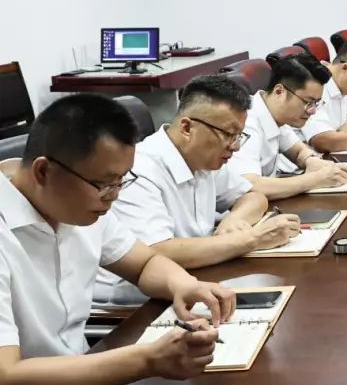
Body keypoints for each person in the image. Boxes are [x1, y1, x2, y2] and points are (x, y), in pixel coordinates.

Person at [0, 95, 232, 385]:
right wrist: (146, 360)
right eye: (105, 184)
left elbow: (144, 262)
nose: (113, 196)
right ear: (44, 171)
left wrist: (183, 283)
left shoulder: (80, 204)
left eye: (122, 181)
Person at [95, 75, 299, 307]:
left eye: (238, 136)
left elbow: (254, 196)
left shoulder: (203, 159)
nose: (235, 146)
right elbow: (158, 252)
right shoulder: (139, 169)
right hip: (142, 305)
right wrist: (250, 239)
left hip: (199, 281)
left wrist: (234, 220)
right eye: (228, 134)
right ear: (187, 127)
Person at [227, 52, 347, 200]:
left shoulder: (275, 113)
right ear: (279, 91)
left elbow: (298, 151)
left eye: (316, 103)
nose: (312, 111)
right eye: (308, 102)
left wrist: (311, 161)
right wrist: (316, 179)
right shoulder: (246, 123)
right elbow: (249, 185)